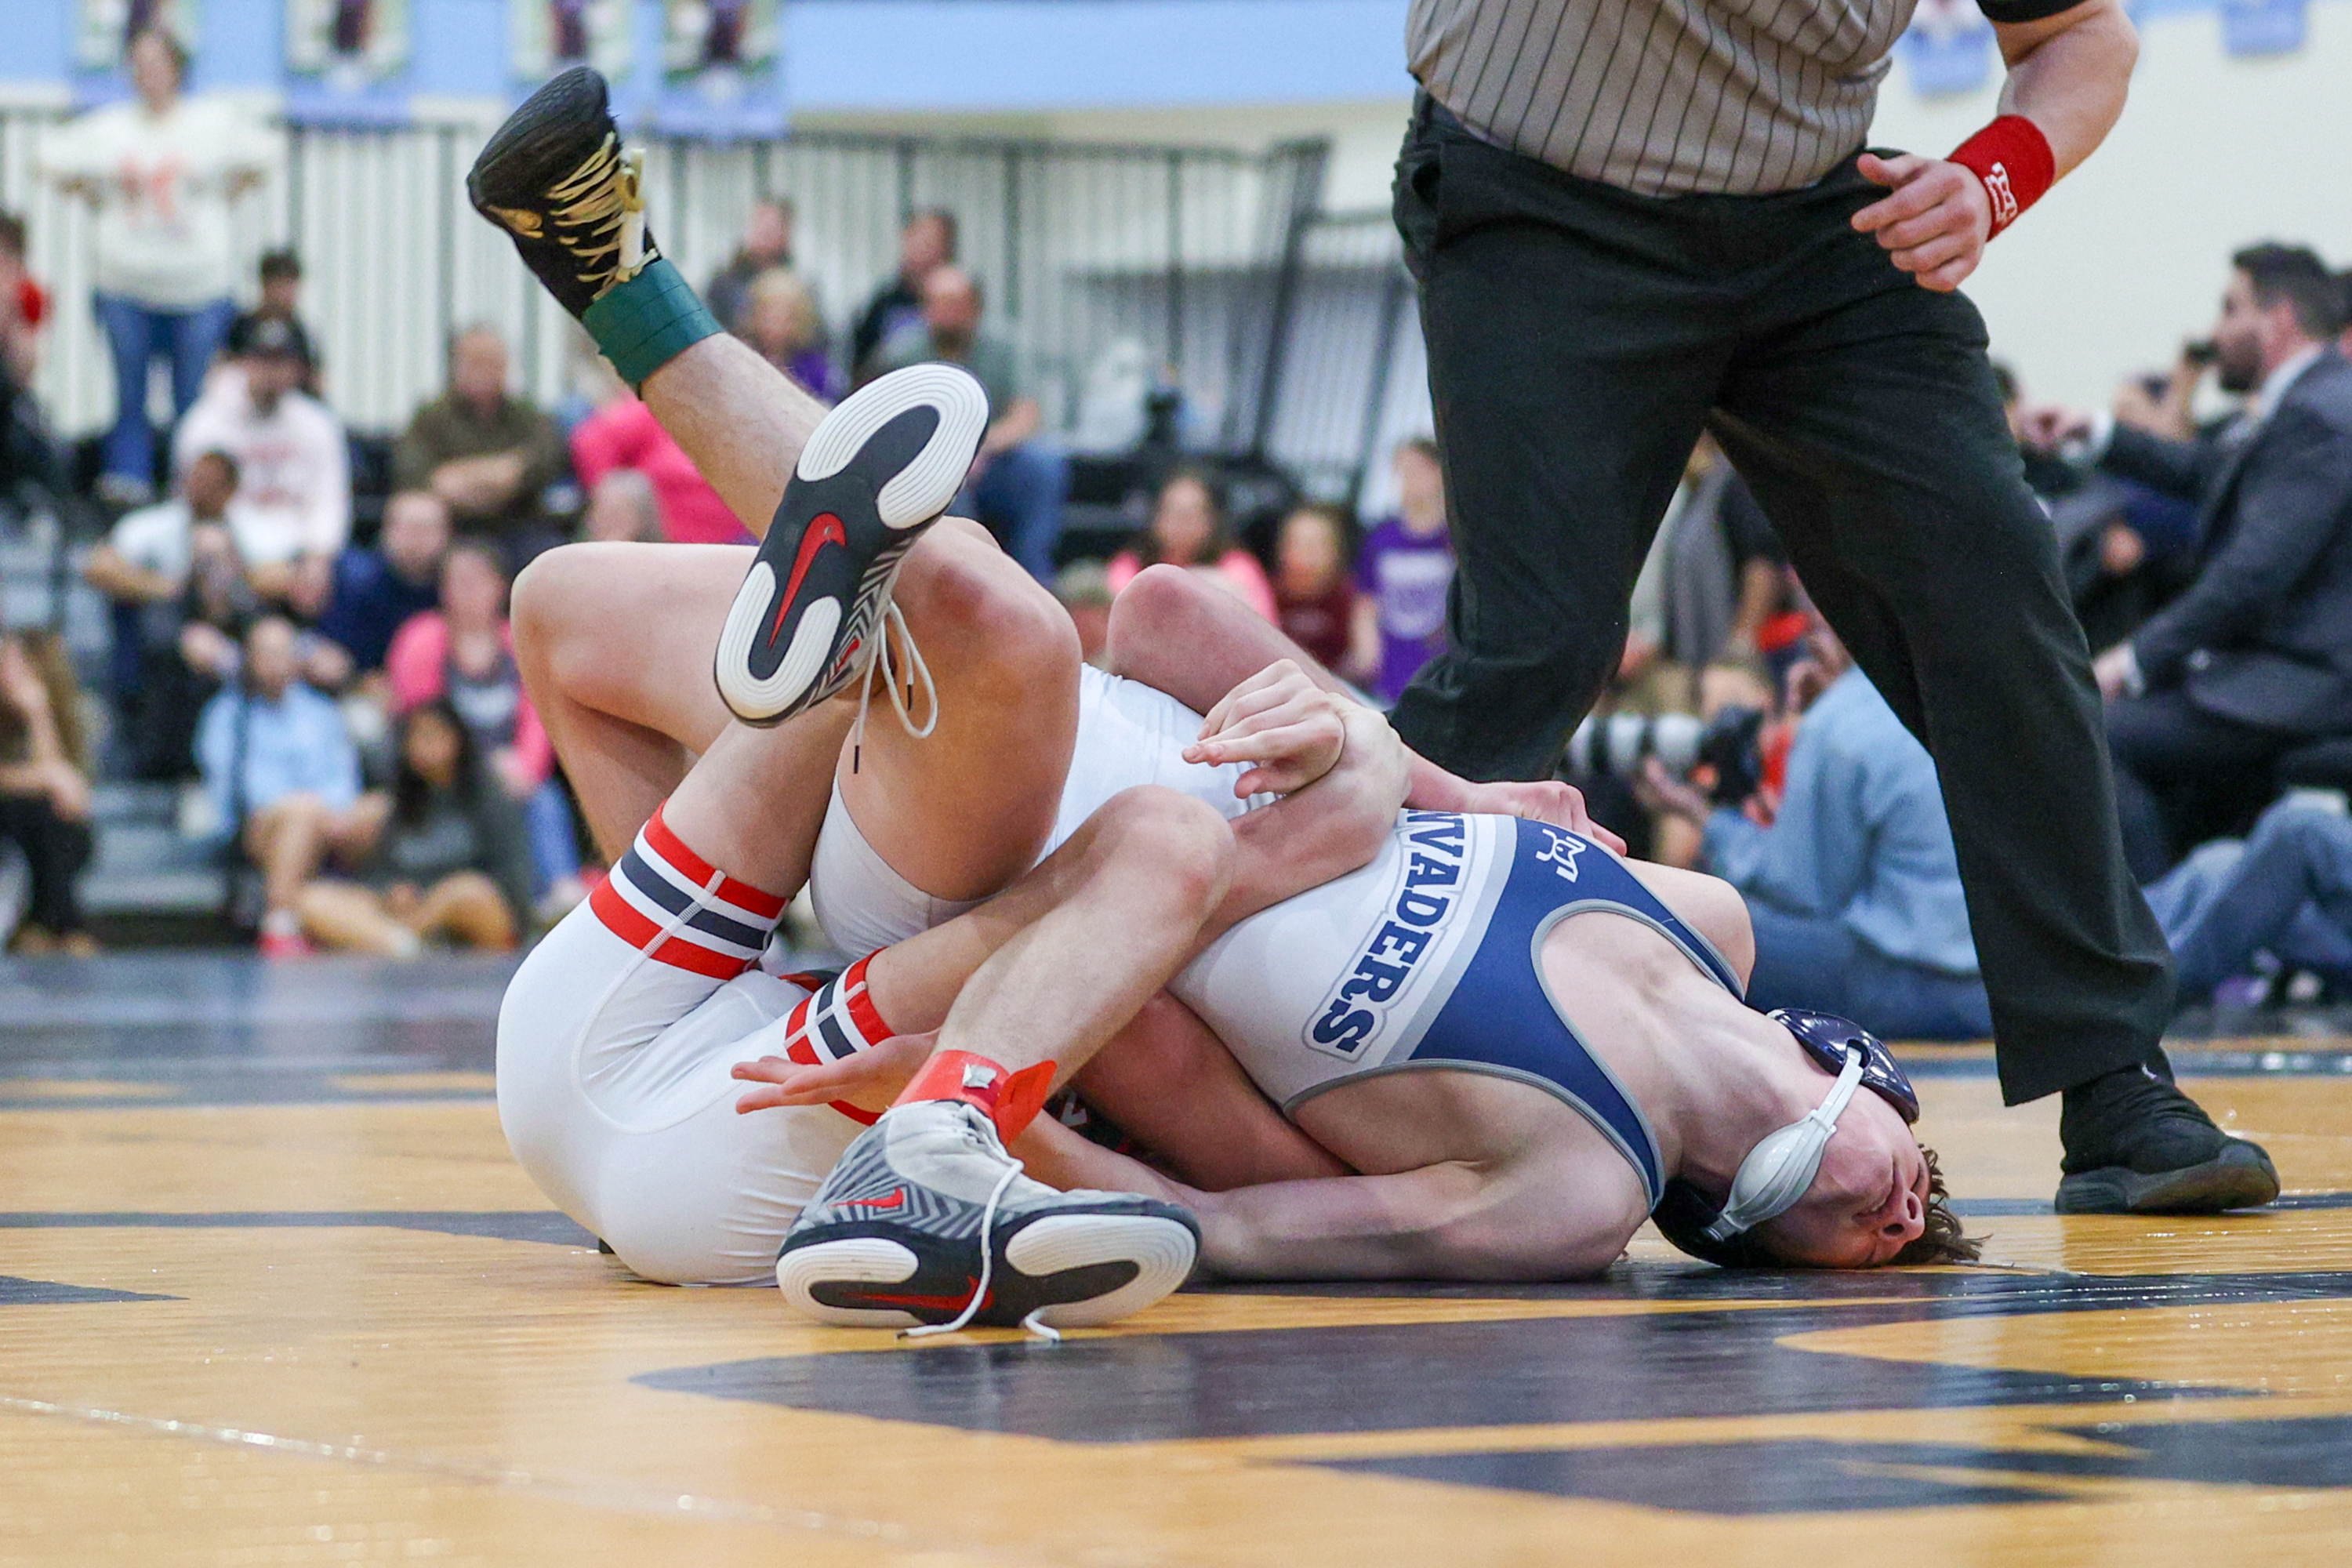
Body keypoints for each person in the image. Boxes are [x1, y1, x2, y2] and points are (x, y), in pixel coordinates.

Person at [1385, 0, 2265, 1217]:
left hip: (1811, 220)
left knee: (1995, 591)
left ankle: (2113, 1075)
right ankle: (1279, 1006)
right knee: (1537, 646)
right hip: (1543, 204)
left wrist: (1990, 178)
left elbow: (2085, 41)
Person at [2022, 245, 2352, 883]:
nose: (2214, 332)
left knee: (2084, 736)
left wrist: (2136, 659)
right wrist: (2098, 431)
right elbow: (2209, 472)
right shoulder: (2310, 402)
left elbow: (2253, 576)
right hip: (2273, 671)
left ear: (2278, 320)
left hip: (2304, 683)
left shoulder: (2321, 413)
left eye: (2232, 309)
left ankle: (2162, 945)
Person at [1639, 613, 1992, 1041]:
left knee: (1697, 922)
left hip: (1907, 986)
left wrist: (1708, 820)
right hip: (1991, 989)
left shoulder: (1840, 720)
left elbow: (1804, 893)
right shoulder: (1978, 689)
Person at [39, 27, 274, 504]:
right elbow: (49, 158)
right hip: (125, 283)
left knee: (194, 397)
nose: (147, 74)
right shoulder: (112, 126)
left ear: (178, 69)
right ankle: (130, 481)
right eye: (138, 64)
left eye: (157, 63)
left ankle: (190, 485)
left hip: (198, 287)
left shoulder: (210, 122)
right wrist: (91, 194)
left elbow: (266, 153)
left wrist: (228, 189)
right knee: (130, 396)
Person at [386, 542, 583, 913]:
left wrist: (526, 766)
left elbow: (541, 716)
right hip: (444, 771)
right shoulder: (421, 639)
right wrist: (475, 765)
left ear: (500, 586)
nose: (465, 590)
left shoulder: (520, 640)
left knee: (544, 797)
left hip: (511, 775)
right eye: (456, 581)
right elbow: (421, 723)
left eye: (476, 580)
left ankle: (559, 891)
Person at [869, 266, 1067, 580]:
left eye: (956, 305)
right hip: (927, 463)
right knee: (944, 483)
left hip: (993, 461)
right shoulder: (901, 352)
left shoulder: (1006, 347)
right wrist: (953, 458)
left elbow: (1026, 415)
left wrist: (980, 449)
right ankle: (969, 580)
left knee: (1044, 466)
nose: (947, 314)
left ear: (976, 308)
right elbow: (888, 422)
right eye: (938, 304)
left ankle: (1035, 581)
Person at [296, 700, 531, 957]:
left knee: (467, 890)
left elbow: (512, 878)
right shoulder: (400, 801)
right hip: (410, 914)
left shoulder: (490, 798)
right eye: (417, 736)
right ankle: (405, 945)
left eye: (435, 735)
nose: (426, 746)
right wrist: (391, 892)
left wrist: (437, 899)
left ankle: (402, 940)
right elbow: (381, 872)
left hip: (475, 914)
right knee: (313, 899)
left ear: (459, 741)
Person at [194, 615, 371, 958]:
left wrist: (326, 812)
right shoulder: (227, 715)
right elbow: (236, 791)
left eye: (283, 653)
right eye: (266, 654)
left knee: (375, 809)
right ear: (249, 659)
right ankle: (279, 923)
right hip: (259, 828)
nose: (276, 663)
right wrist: (308, 807)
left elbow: (343, 779)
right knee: (299, 811)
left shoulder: (323, 712)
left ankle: (307, 912)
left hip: (328, 823)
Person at [171, 318, 350, 579]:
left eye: (281, 362)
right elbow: (189, 501)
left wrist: (317, 556)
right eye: (262, 360)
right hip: (228, 551)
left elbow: (330, 501)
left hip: (299, 554)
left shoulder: (318, 424)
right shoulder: (205, 423)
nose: (271, 372)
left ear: (298, 370)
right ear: (242, 363)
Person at [394, 325, 571, 572]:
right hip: (453, 528)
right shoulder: (431, 417)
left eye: (493, 362)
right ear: (456, 365)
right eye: (476, 362)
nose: (485, 372)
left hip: (517, 523)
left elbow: (545, 459)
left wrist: (464, 476)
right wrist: (498, 472)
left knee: (551, 561)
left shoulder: (527, 416)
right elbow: (415, 474)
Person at [0, 627, 97, 956]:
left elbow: (73, 794)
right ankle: (69, 927)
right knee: (38, 815)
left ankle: (39, 926)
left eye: (15, 664)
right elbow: (53, 777)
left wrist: (39, 716)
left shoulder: (75, 716)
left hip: (47, 831)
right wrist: (42, 777)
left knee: (55, 820)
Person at [568, 383, 744, 545]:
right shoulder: (667, 409)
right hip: (651, 541)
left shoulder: (744, 421)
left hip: (728, 546)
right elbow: (592, 441)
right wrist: (614, 501)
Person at [1349, 437, 1453, 705]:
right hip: (1392, 665)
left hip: (1439, 664)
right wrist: (1367, 651)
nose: (1409, 481)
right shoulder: (1381, 538)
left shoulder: (1455, 541)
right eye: (1402, 472)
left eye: (1419, 470)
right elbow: (1367, 599)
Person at [314, 489, 452, 681]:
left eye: (426, 529)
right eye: (408, 528)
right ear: (386, 531)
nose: (416, 540)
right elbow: (339, 653)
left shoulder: (455, 587)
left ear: (446, 534)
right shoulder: (357, 583)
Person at [1108, 469, 1276, 622]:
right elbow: (1112, 627)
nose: (1183, 523)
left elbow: (1266, 633)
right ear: (1156, 517)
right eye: (1174, 512)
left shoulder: (1239, 568)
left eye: (1193, 514)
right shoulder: (1130, 566)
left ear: (1212, 520)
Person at [849, 208, 956, 379]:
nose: (922, 248)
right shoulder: (884, 303)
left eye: (930, 241)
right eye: (916, 239)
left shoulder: (962, 299)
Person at [1272, 503, 1357, 672]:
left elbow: (1362, 661)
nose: (1306, 555)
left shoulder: (1352, 600)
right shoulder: (1267, 594)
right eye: (1298, 543)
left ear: (1335, 552)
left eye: (1316, 545)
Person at [223, 249, 321, 396]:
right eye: (280, 285)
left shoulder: (299, 332)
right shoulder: (243, 326)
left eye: (290, 286)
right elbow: (226, 369)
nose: (285, 294)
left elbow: (315, 378)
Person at [739, 267, 844, 402]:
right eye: (768, 316)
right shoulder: (743, 359)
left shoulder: (816, 369)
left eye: (786, 318)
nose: (775, 326)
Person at [704, 198, 800, 337]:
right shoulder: (722, 286)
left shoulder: (799, 287)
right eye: (758, 225)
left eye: (771, 228)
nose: (762, 233)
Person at [579, 468, 664, 544]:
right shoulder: (581, 557)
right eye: (597, 512)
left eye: (613, 514)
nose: (596, 522)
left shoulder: (660, 558)